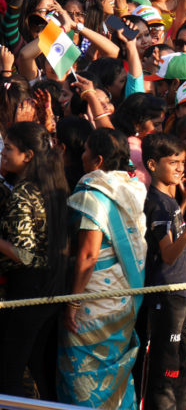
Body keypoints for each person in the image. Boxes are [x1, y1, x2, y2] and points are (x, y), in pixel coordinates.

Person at [59, 128, 148, 410]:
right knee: (115, 368)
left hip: (94, 298)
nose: (81, 156)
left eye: (85, 151)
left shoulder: (93, 193)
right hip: (124, 293)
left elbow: (88, 254)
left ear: (97, 160)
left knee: (81, 368)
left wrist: (72, 303)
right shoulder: (133, 186)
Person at [0, 122, 70, 401]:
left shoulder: (24, 192)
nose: (3, 153)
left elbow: (25, 256)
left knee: (8, 373)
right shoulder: (54, 184)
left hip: (28, 289)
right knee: (41, 368)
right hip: (52, 287)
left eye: (8, 148)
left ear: (28, 155)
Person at [140, 132, 186, 410]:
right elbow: (167, 255)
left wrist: (185, 206)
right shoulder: (156, 203)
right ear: (153, 165)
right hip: (167, 294)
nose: (180, 167)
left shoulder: (168, 200)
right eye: (173, 162)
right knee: (167, 368)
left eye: (182, 162)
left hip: (181, 291)